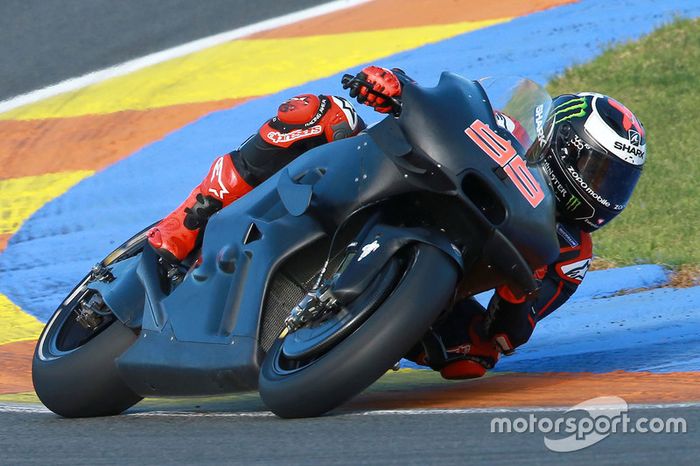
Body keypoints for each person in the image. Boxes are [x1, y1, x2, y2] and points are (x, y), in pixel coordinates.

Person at [146, 65, 646, 380]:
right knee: (320, 113)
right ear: (560, 143)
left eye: (618, 181)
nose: (603, 189)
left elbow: (511, 332)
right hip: (381, 180)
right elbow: (440, 106)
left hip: (441, 266)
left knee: (470, 357)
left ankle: (365, 330)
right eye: (598, 168)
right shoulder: (509, 129)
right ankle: (186, 218)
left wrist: (519, 293)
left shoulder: (571, 252)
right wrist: (394, 88)